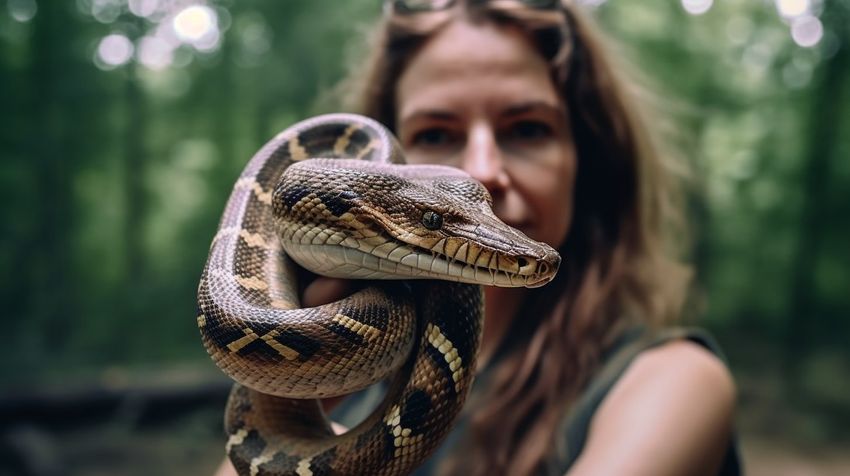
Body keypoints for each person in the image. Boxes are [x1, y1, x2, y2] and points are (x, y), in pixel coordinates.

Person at [217, 1, 739, 475]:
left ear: (588, 159)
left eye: (528, 128)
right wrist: (297, 388)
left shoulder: (671, 384)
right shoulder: (342, 372)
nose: (482, 171)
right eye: (437, 135)